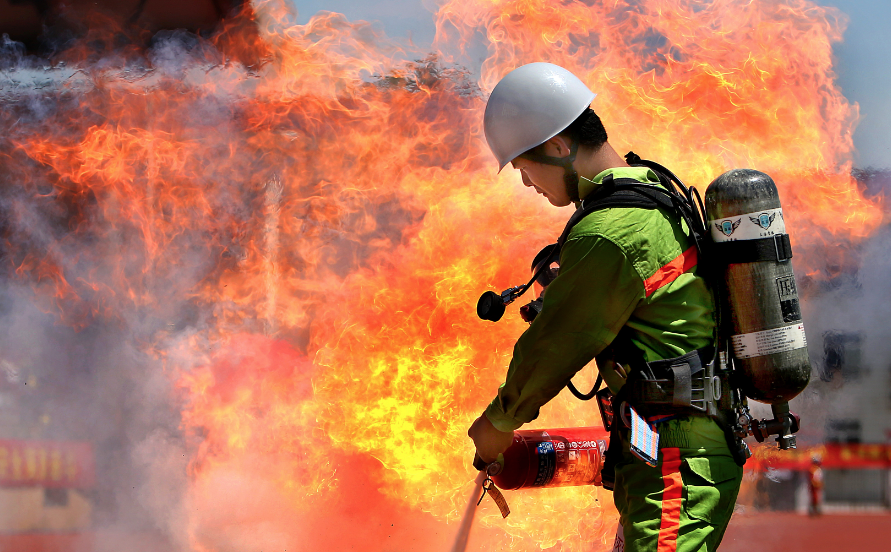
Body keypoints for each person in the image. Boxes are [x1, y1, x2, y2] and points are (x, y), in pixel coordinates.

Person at [467, 63, 744, 552]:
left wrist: (499, 422)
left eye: (524, 168)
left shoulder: (610, 231)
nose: (528, 184)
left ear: (558, 146)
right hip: (661, 446)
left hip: (676, 460)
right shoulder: (648, 191)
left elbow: (556, 343)